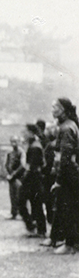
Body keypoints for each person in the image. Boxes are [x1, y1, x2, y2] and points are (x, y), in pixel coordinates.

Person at [49, 98, 79, 254]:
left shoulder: (66, 128)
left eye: (56, 106)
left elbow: (64, 157)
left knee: (68, 208)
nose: (52, 109)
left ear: (64, 110)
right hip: (72, 172)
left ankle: (70, 244)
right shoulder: (69, 125)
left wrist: (59, 181)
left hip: (69, 175)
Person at [19, 124, 47, 239]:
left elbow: (31, 167)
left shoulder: (35, 147)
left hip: (33, 180)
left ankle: (35, 227)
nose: (23, 134)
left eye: (25, 132)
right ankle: (38, 228)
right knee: (36, 204)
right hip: (34, 179)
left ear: (31, 133)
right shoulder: (34, 145)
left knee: (24, 203)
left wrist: (23, 178)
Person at [5, 136, 26, 220]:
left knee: (19, 195)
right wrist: (9, 173)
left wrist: (14, 174)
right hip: (11, 177)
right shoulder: (10, 153)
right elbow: (7, 164)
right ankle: (13, 213)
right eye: (12, 141)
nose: (14, 143)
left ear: (19, 142)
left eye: (15, 141)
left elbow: (22, 165)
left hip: (19, 177)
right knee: (12, 195)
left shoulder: (21, 152)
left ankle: (21, 213)